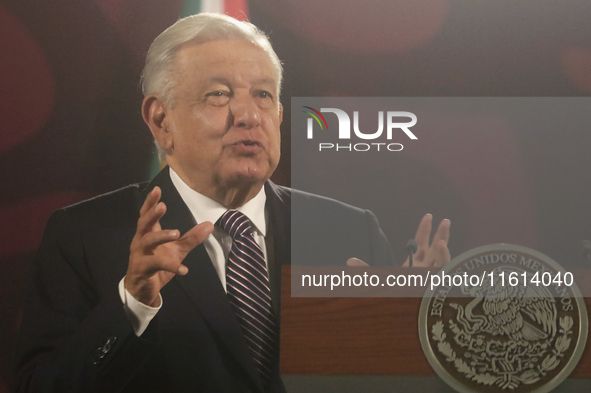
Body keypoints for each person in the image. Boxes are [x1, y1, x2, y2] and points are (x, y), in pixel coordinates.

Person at [14, 13, 450, 393]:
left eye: (263, 95)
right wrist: (131, 303)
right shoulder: (87, 236)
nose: (248, 115)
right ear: (161, 120)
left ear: (279, 115)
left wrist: (415, 334)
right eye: (219, 94)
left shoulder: (350, 231)